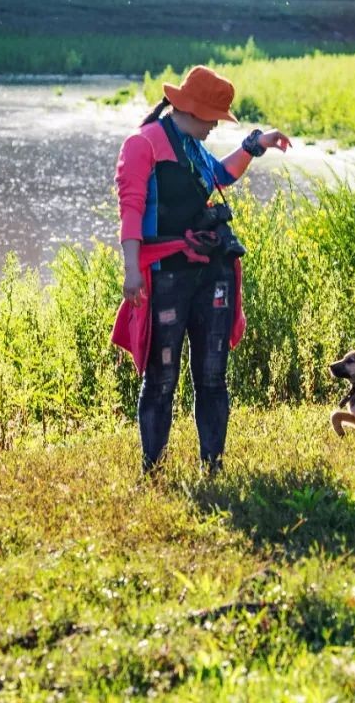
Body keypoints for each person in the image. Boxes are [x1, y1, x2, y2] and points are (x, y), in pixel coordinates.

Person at [111, 65, 290, 476]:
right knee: (161, 380)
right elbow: (132, 210)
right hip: (165, 276)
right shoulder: (144, 144)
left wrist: (254, 145)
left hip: (213, 272)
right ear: (189, 109)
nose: (215, 126)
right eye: (213, 118)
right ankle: (152, 471)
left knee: (212, 376)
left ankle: (214, 467)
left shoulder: (191, 144)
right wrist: (131, 270)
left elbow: (222, 174)